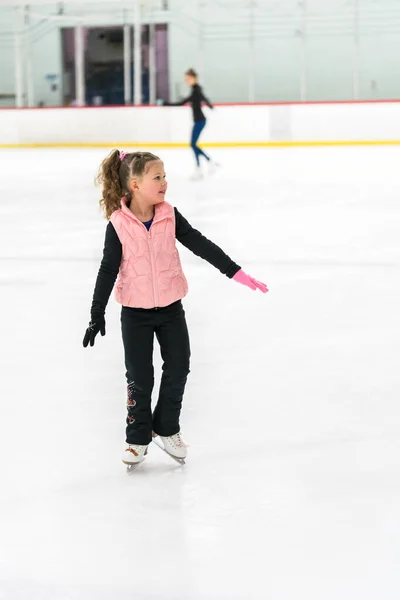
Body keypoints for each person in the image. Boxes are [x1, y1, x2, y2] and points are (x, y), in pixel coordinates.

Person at [83, 149, 268, 468]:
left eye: (165, 176)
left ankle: (165, 428)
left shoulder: (169, 215)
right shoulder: (118, 224)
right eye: (158, 177)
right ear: (136, 184)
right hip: (135, 313)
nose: (165, 182)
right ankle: (137, 438)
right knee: (139, 377)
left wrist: (234, 271)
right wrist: (96, 312)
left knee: (179, 366)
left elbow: (199, 243)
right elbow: (107, 268)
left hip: (170, 308)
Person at [164, 68, 215, 179]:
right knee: (193, 144)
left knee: (193, 144)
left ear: (194, 78)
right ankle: (208, 162)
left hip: (200, 121)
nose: (187, 81)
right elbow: (203, 98)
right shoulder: (196, 89)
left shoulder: (196, 90)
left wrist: (165, 103)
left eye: (188, 79)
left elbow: (183, 102)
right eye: (186, 79)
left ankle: (200, 168)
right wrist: (209, 105)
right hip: (199, 121)